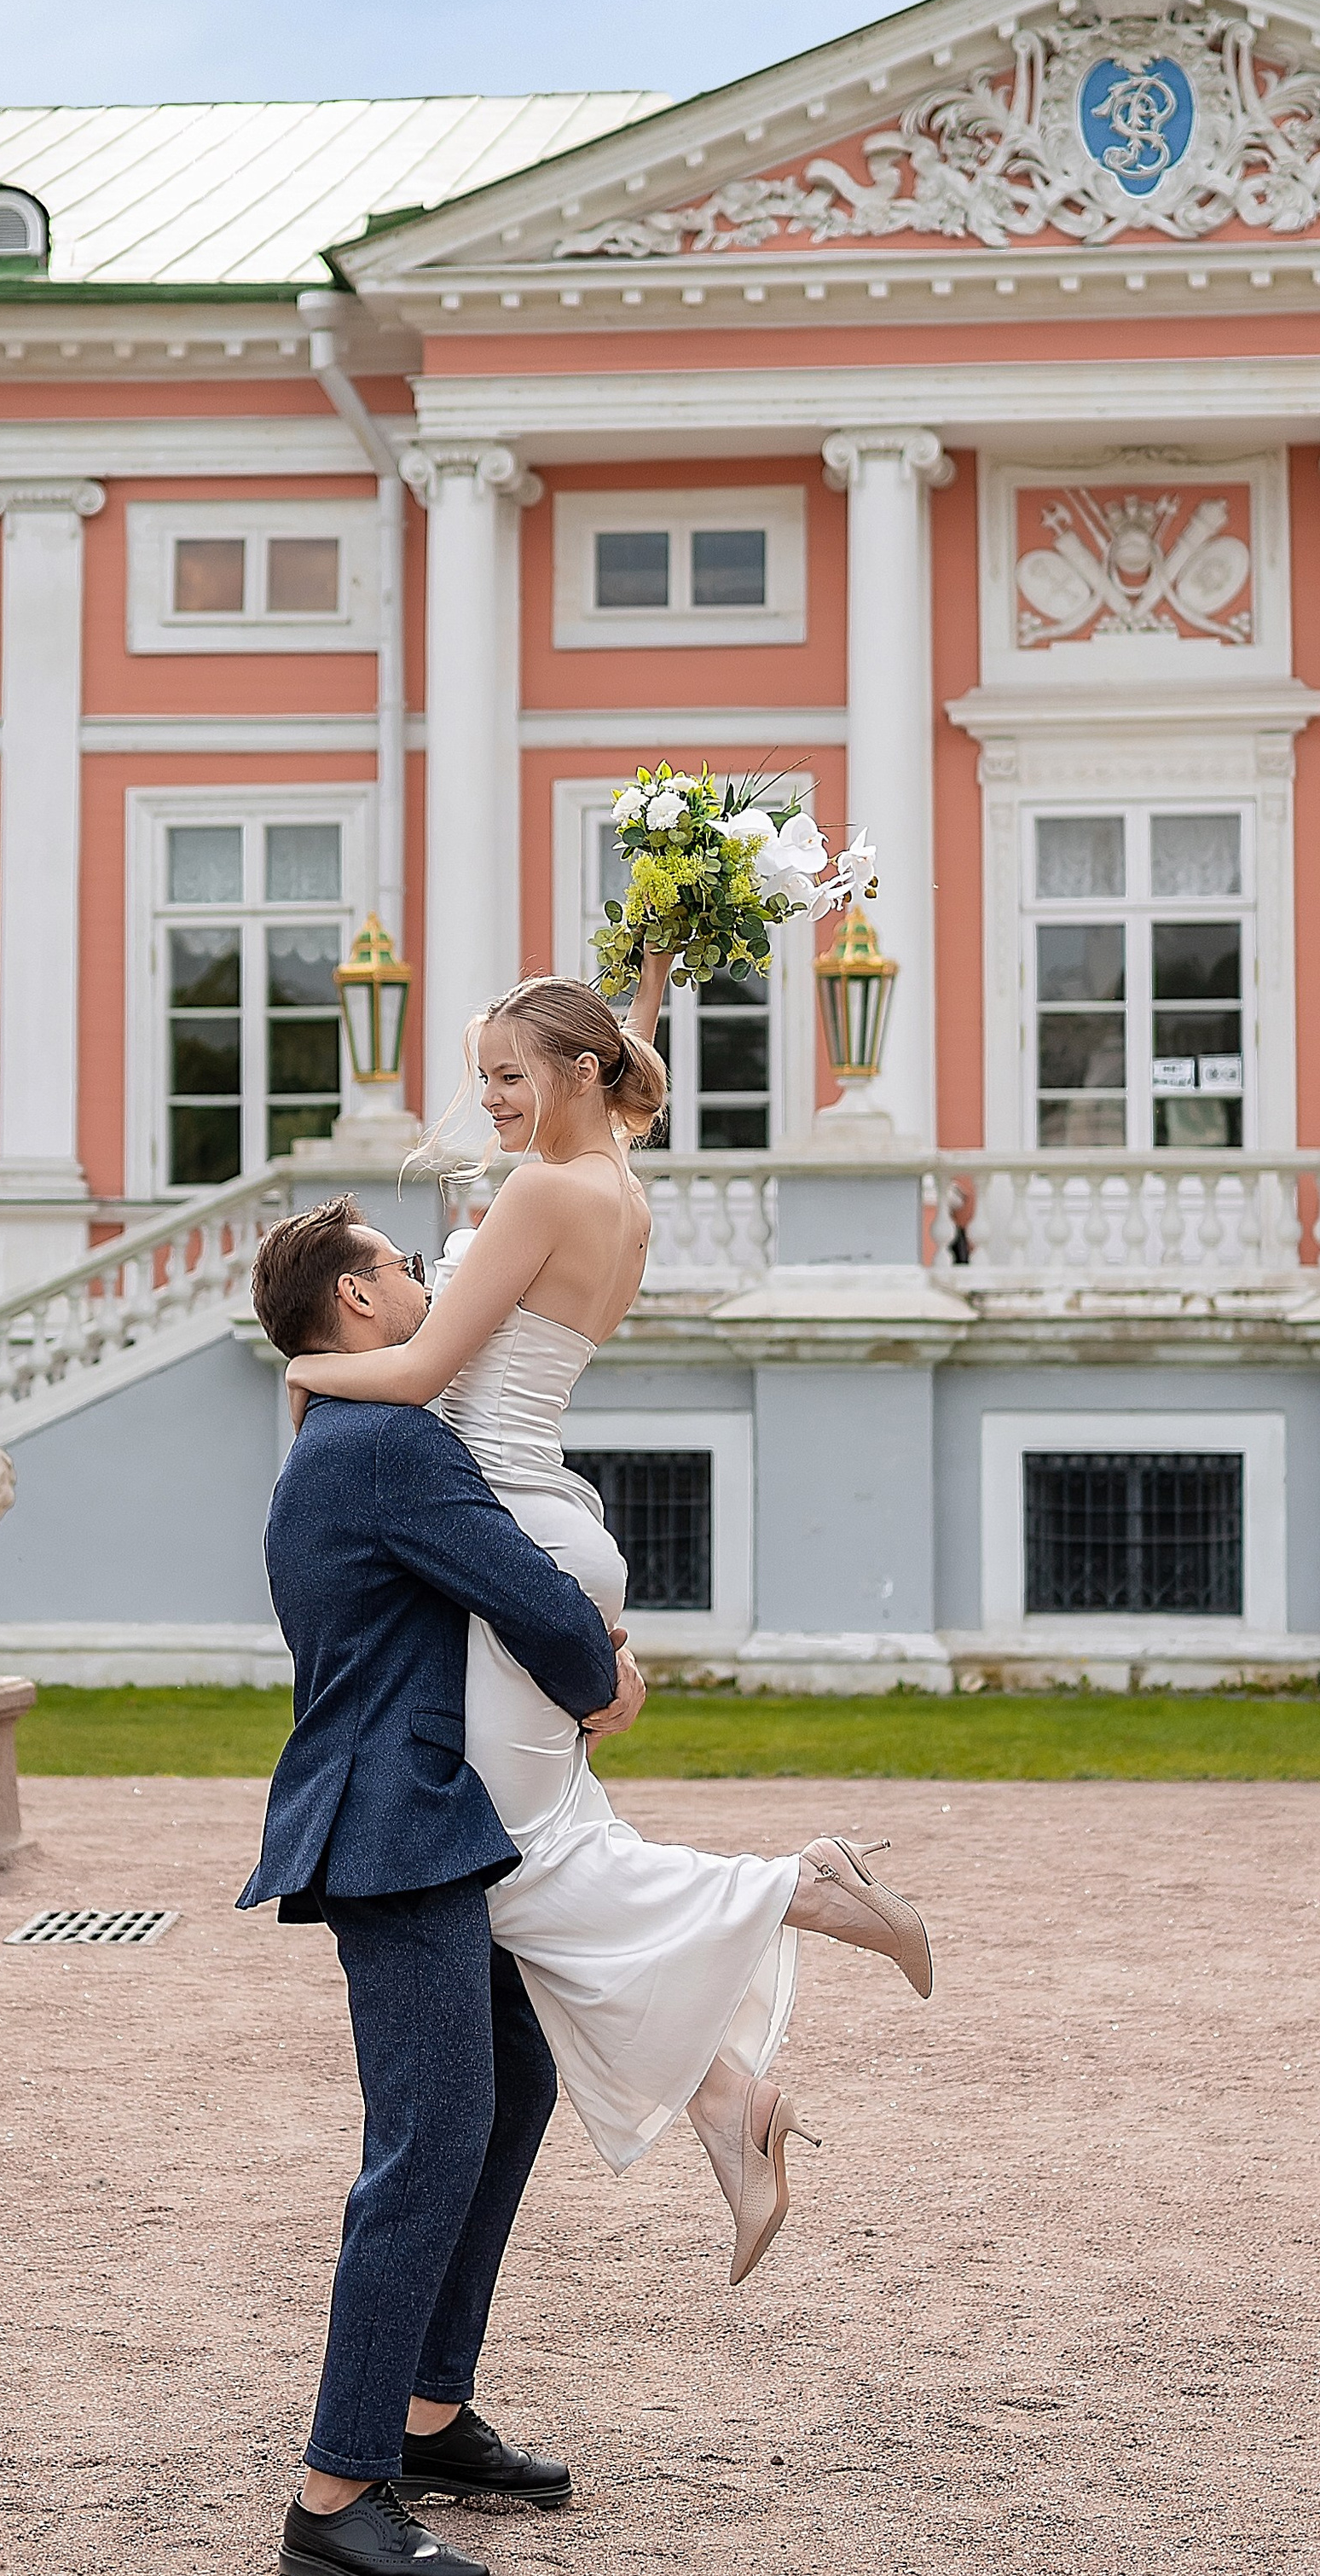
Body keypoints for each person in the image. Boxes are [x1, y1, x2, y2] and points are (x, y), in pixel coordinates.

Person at [277, 960, 935, 2291]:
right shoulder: (614, 1179)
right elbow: (599, 1062)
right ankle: (728, 2102)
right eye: (483, 1078)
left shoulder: (547, 1190)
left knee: (503, 1861)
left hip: (499, 1523)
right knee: (547, 1855)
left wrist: (295, 1366)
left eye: (511, 1077)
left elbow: (411, 1374)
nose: (488, 1101)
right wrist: (642, 979)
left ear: (577, 1075)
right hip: (539, 1521)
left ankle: (803, 1890)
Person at [238, 1197, 643, 2576]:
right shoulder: (392, 1441)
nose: (427, 1283)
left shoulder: (338, 1432)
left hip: (421, 1811)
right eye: (404, 1268)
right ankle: (338, 2491)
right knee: (427, 2142)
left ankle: (426, 2414)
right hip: (394, 1821)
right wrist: (601, 1674)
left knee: (510, 2085)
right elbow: (515, 1582)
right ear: (355, 1300)